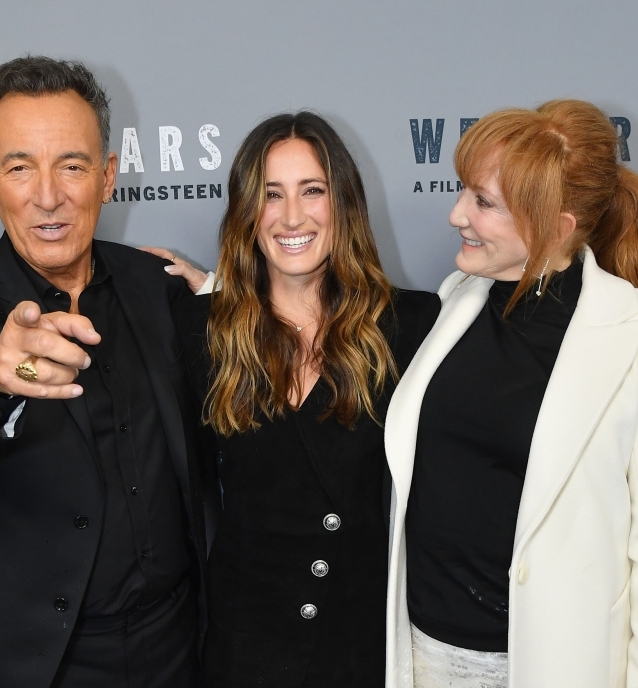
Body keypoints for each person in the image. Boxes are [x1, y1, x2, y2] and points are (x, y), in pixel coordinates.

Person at [0, 56, 213, 688]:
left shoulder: (154, 283)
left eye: (72, 164)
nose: (48, 195)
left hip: (175, 645)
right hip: (29, 658)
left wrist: (219, 295)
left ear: (108, 176)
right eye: (19, 167)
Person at [384, 100, 638, 688]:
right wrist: (221, 292)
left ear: (556, 225)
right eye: (462, 192)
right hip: (421, 655)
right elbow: (346, 319)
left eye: (484, 202)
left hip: (548, 665)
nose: (456, 215)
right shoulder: (459, 297)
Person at [171, 111, 440, 687]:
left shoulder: (411, 326)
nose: (292, 216)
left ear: (342, 202)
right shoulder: (200, 331)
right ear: (248, 212)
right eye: (271, 195)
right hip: (243, 653)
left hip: (358, 648)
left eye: (311, 190)